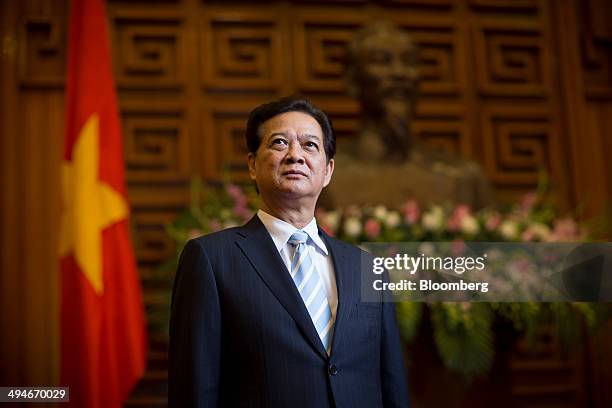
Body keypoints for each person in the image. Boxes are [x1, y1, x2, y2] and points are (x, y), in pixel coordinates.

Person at [169, 96, 410, 407]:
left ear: (328, 170)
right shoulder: (212, 260)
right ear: (252, 165)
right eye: (280, 143)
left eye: (310, 145)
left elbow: (391, 383)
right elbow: (193, 390)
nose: (295, 155)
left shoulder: (367, 267)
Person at [321, 21, 494, 210]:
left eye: (409, 61)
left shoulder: (463, 178)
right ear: (352, 81)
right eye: (381, 61)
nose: (399, 73)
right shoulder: (322, 179)